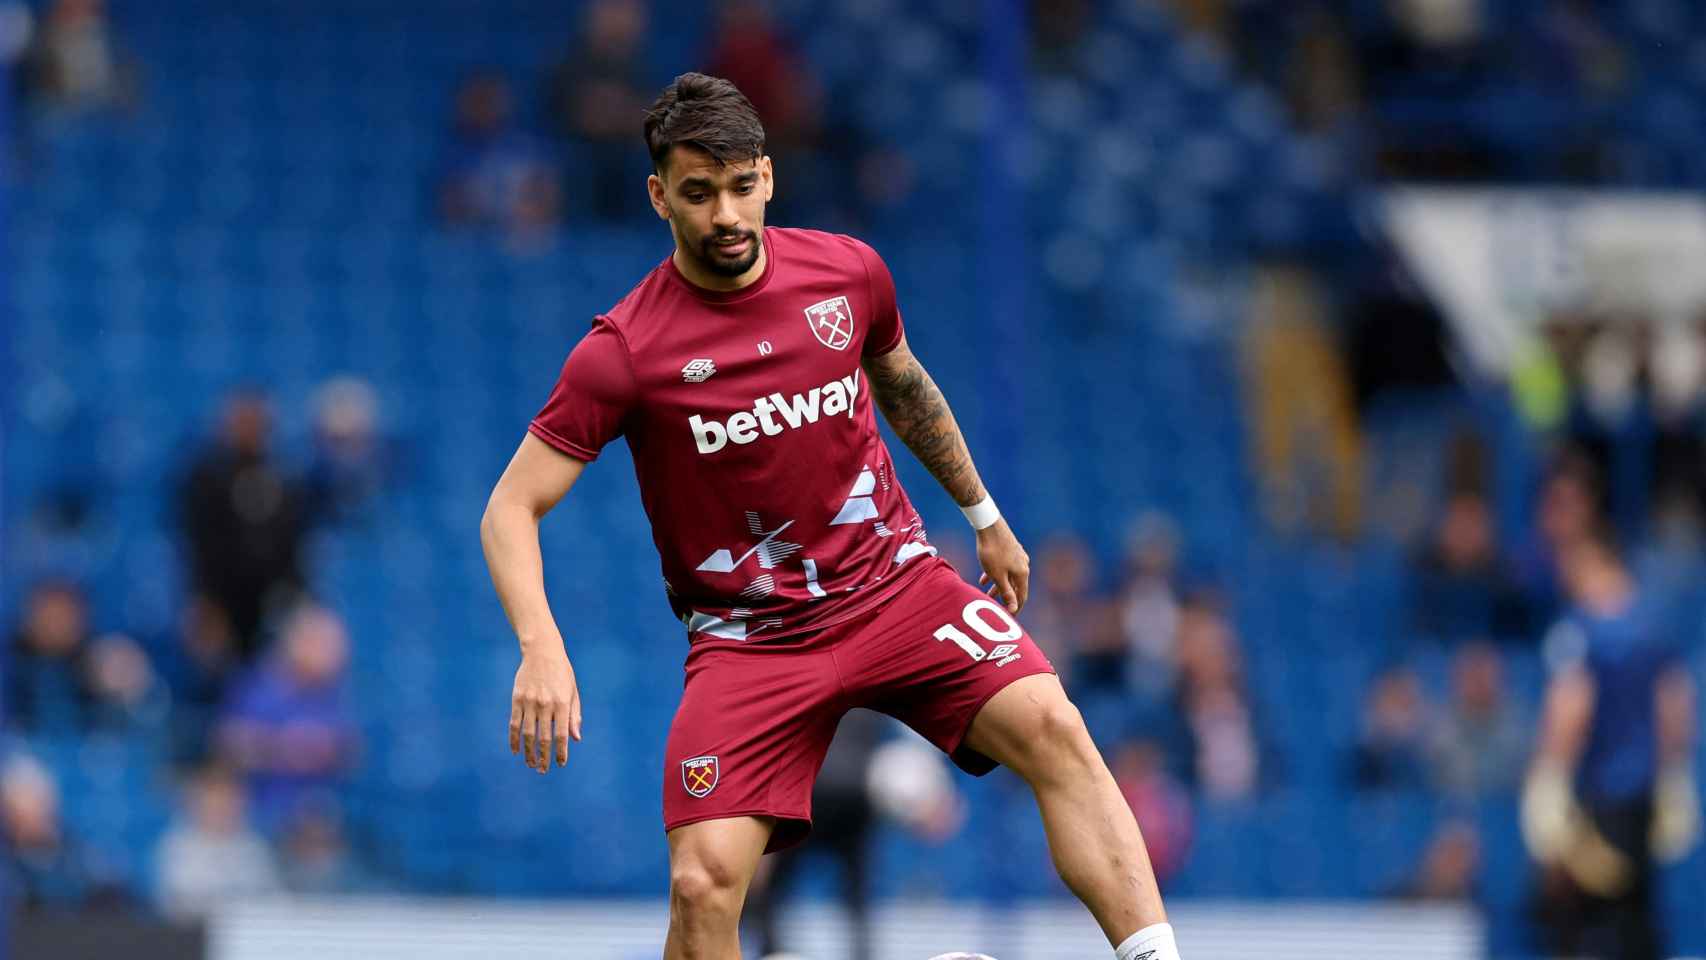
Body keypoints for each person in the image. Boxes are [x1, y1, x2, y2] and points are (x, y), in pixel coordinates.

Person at [480, 73, 1181, 960]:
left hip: (896, 589)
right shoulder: (622, 352)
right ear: (660, 197)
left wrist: (984, 514)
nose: (726, 215)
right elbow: (511, 508)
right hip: (751, 639)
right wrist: (541, 644)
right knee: (702, 886)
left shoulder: (848, 274)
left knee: (1056, 727)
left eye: (741, 188)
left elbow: (905, 385)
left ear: (768, 177)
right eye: (699, 194)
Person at [1524, 527, 1698, 960]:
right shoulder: (1654, 626)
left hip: (1599, 795)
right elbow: (1675, 708)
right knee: (1639, 918)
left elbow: (1570, 705)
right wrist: (1675, 773)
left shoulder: (1580, 629)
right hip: (1643, 797)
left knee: (1588, 922)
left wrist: (1550, 774)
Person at [179, 392, 308, 659]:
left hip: (272, 602)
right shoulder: (207, 479)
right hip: (219, 601)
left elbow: (294, 546)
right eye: (241, 420)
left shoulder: (284, 478)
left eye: (255, 420)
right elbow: (197, 544)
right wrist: (205, 601)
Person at [216, 604, 357, 833]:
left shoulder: (336, 693)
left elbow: (350, 751)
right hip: (261, 817)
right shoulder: (258, 687)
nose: (337, 654)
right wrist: (288, 748)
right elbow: (230, 746)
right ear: (298, 642)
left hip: (323, 822)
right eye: (325, 644)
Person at [154, 766, 280, 920]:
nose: (223, 809)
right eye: (215, 801)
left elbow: (270, 900)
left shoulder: (254, 847)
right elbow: (178, 905)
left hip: (247, 934)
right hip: (194, 936)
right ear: (196, 804)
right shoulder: (177, 846)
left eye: (230, 800)